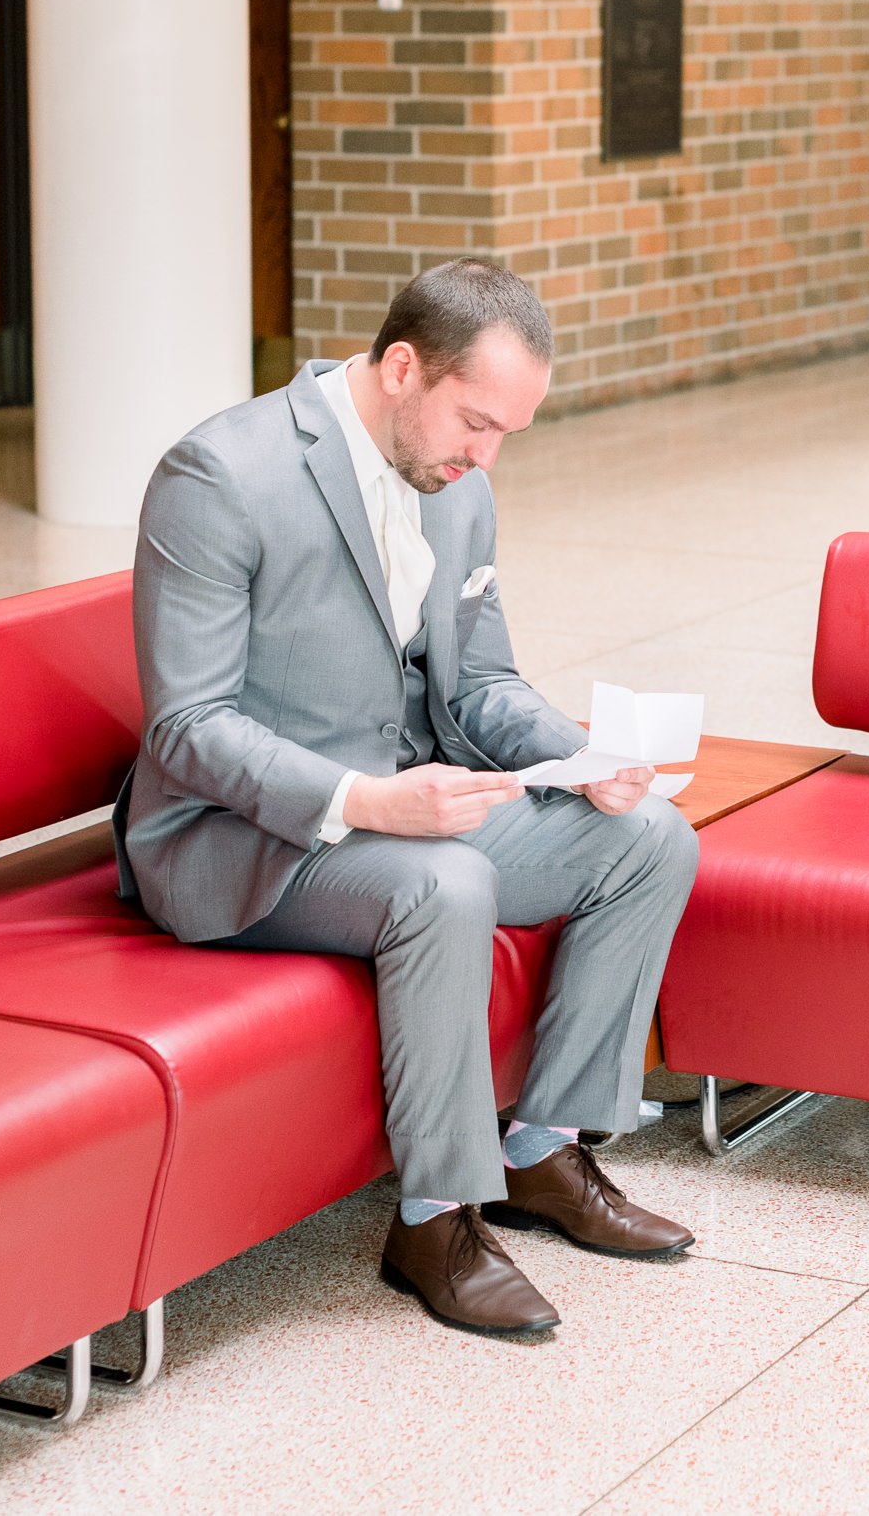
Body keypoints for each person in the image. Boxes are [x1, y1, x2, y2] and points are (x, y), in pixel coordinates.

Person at [115, 259, 700, 1337]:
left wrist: (587, 757)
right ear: (399, 368)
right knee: (443, 883)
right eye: (475, 423)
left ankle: (541, 1151)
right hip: (238, 838)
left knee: (649, 838)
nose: (484, 458)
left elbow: (478, 684)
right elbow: (185, 729)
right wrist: (368, 802)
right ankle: (432, 1221)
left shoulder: (457, 487)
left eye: (505, 436)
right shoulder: (222, 475)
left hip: (402, 814)